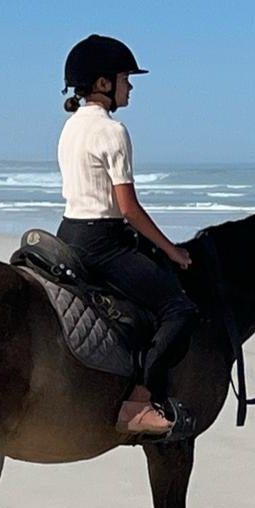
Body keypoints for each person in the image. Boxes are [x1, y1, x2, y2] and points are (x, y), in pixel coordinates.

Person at [56, 34, 198, 436]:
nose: (130, 86)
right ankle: (137, 403)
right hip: (103, 244)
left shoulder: (69, 128)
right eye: (125, 78)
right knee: (179, 310)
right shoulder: (112, 131)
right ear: (103, 84)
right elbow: (129, 209)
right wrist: (172, 251)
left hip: (68, 233)